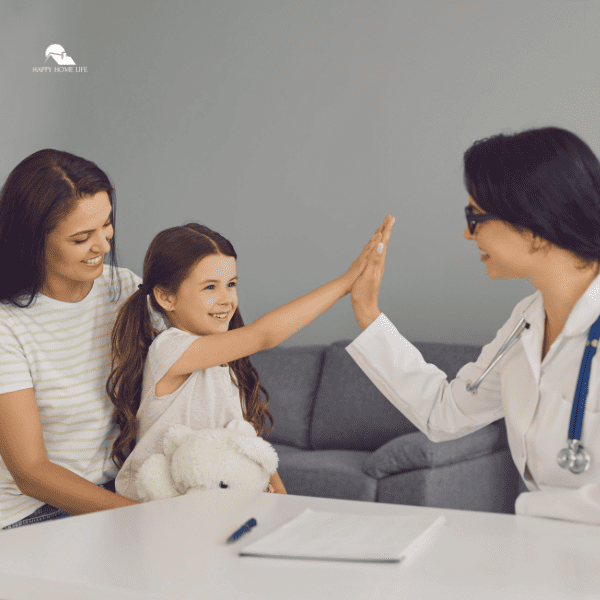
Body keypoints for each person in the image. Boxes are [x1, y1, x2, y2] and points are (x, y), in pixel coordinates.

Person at [347, 126, 600, 525]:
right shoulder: (526, 321)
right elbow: (445, 413)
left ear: (533, 228)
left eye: (475, 216)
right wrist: (366, 310)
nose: (467, 233)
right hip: (546, 551)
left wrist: (522, 520)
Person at [110, 218, 393, 500]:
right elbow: (264, 335)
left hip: (216, 506)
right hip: (164, 513)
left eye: (230, 284)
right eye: (210, 287)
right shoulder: (169, 350)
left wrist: (282, 501)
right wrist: (345, 284)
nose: (226, 299)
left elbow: (246, 441)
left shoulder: (226, 363)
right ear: (165, 297)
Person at [0, 149, 162, 530]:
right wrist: (145, 518)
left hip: (117, 492)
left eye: (107, 225)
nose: (104, 246)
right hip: (33, 512)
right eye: (81, 238)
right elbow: (32, 472)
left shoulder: (124, 289)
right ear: (32, 241)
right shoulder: (7, 326)